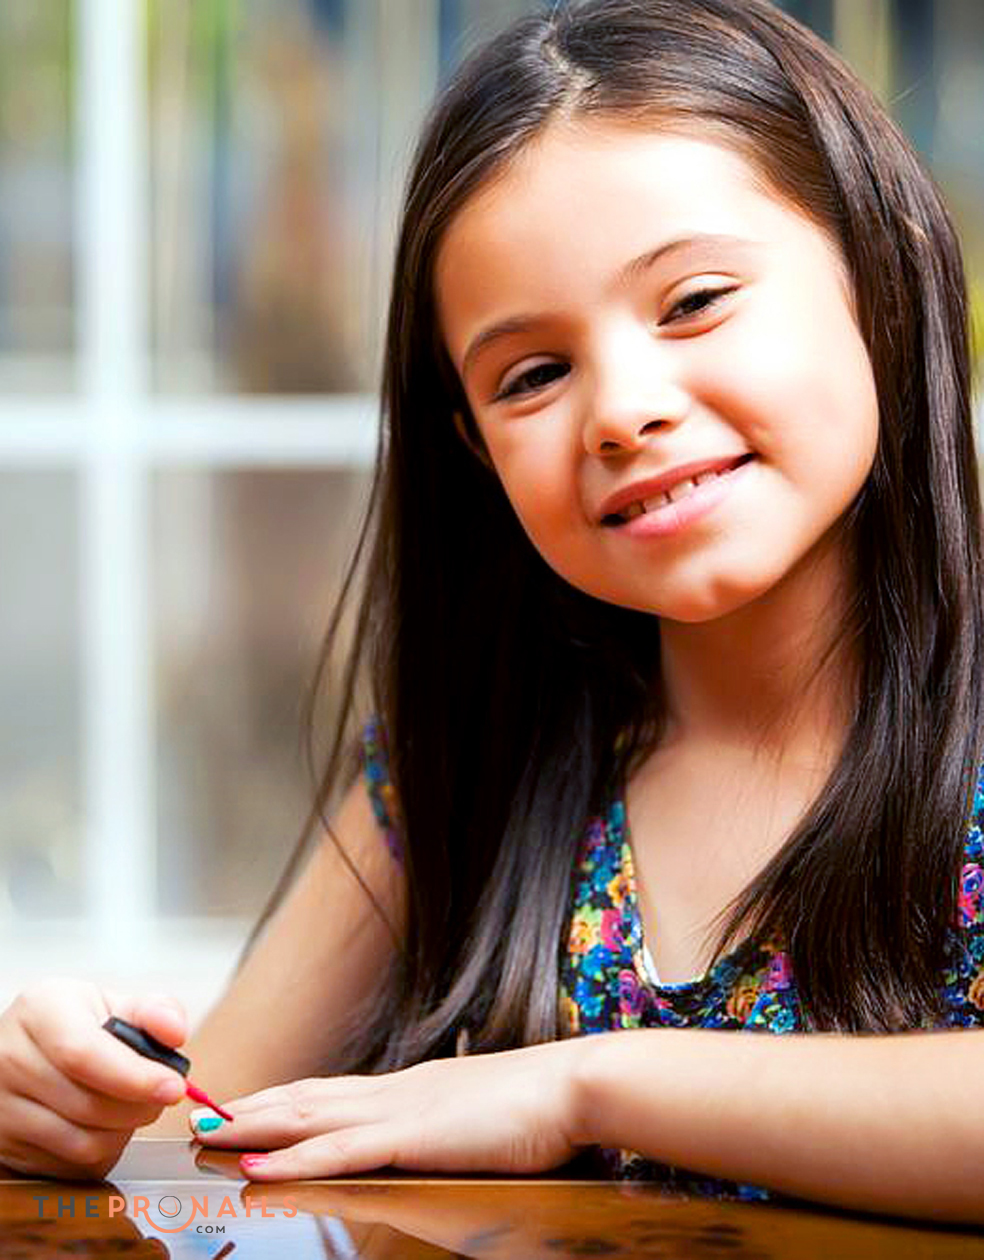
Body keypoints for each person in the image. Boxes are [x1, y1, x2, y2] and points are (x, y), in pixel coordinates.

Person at [2, 0, 984, 1222]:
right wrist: (67, 1100)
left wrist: (586, 1086)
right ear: (475, 448)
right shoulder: (469, 763)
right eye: (534, 375)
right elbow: (210, 1124)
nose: (622, 410)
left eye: (693, 301)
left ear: (878, 271)